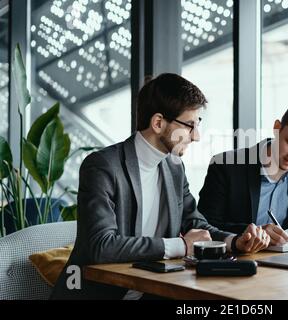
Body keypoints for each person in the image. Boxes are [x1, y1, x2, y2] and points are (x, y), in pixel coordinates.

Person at [51, 73, 270, 300]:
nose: (196, 136)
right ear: (158, 123)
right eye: (189, 125)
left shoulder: (174, 167)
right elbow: (101, 246)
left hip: (152, 292)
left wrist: (235, 241)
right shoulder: (103, 166)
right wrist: (181, 246)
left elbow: (195, 224)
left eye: (198, 124)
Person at [198, 98, 288, 248]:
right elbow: (204, 226)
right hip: (239, 262)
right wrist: (252, 232)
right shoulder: (226, 165)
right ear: (277, 128)